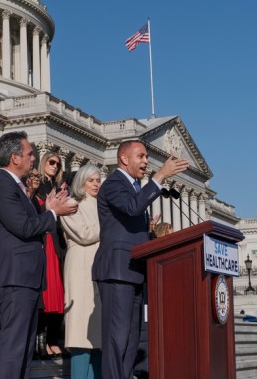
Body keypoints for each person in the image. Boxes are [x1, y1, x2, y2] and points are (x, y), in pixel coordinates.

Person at [93, 140, 188, 379]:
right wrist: (160, 177)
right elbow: (132, 208)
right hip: (117, 271)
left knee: (131, 338)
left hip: (134, 269)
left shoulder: (134, 186)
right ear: (124, 159)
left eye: (146, 156)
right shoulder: (114, 183)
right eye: (141, 156)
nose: (146, 161)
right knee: (117, 338)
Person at [0, 131, 77, 379]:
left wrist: (48, 209)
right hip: (15, 277)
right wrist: (53, 214)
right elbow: (23, 228)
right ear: (15, 157)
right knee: (14, 347)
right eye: (29, 154)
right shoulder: (3, 185)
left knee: (24, 348)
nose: (33, 158)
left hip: (26, 277)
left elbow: (27, 224)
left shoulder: (15, 186)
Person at [60, 165, 103, 379]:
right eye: (91, 180)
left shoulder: (103, 206)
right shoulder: (71, 205)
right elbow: (84, 234)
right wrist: (108, 226)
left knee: (98, 334)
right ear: (81, 182)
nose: (96, 184)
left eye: (98, 180)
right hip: (80, 268)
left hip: (99, 267)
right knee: (80, 330)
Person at [35, 151, 67, 358]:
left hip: (58, 241)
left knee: (58, 294)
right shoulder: (37, 185)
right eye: (51, 162)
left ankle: (53, 339)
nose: (54, 166)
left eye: (58, 164)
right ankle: (42, 340)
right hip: (44, 240)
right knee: (46, 294)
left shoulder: (59, 188)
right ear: (43, 163)